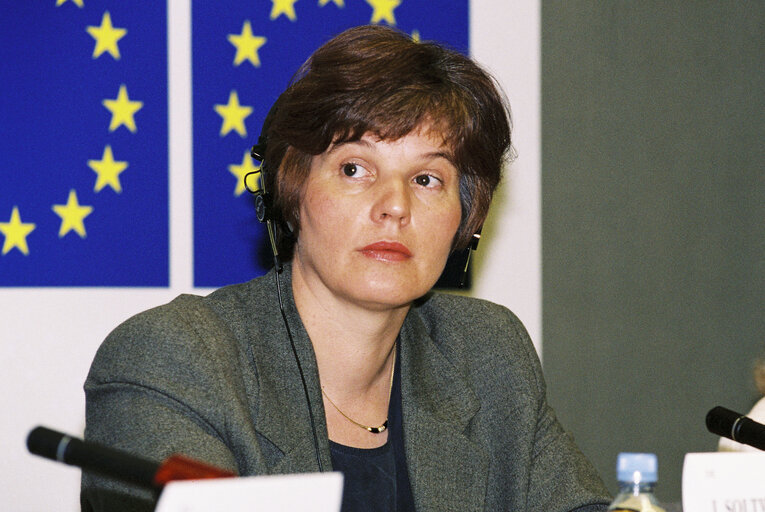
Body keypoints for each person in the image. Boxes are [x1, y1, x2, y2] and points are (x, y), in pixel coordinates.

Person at [81, 25, 610, 511]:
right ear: (292, 191)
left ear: (464, 219)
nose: (395, 205)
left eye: (428, 179)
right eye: (355, 169)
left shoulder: (486, 354)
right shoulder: (177, 360)